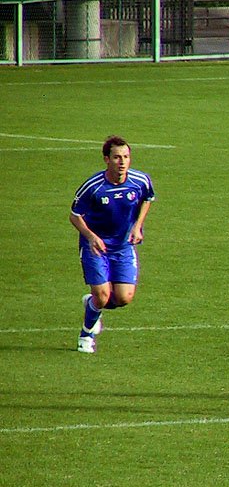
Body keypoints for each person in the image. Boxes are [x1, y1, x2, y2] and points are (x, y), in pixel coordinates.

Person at [69, 135, 156, 353]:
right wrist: (90, 236)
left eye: (126, 157)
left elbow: (148, 198)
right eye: (117, 157)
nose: (122, 162)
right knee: (103, 295)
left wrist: (138, 226)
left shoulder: (140, 181)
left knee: (123, 297)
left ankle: (92, 304)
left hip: (123, 246)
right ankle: (86, 336)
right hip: (96, 246)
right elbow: (74, 215)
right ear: (106, 159)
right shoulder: (93, 186)